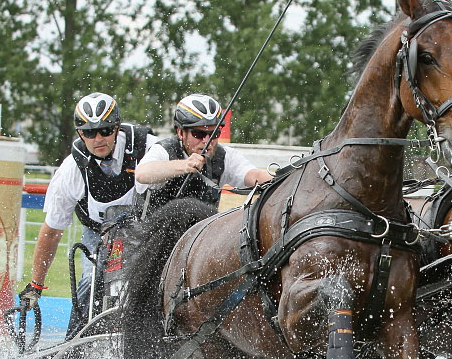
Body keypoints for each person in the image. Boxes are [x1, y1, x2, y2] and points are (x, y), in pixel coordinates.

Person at [19, 92, 159, 338]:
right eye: (90, 133)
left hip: (148, 231)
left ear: (117, 127)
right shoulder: (71, 171)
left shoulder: (147, 147)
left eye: (105, 130)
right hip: (99, 236)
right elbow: (51, 232)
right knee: (91, 284)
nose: (98, 138)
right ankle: (73, 350)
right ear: (80, 133)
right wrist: (36, 285)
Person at [134, 93, 273, 215]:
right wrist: (185, 165)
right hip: (152, 237)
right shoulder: (164, 150)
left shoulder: (224, 156)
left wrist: (281, 178)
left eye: (214, 134)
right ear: (180, 132)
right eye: (199, 134)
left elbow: (254, 175)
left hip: (198, 239)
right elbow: (142, 173)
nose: (207, 141)